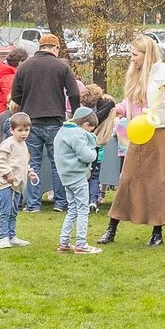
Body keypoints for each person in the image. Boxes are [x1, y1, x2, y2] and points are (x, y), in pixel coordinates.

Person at [102, 32, 165, 247]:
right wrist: (112, 109)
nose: (131, 58)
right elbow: (129, 105)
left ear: (147, 54)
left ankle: (157, 232)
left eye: (135, 54)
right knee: (128, 178)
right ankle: (112, 227)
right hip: (138, 132)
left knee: (160, 181)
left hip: (162, 132)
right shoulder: (134, 74)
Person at [12, 34, 82, 214]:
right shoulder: (62, 66)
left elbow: (15, 96)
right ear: (55, 48)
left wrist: (27, 103)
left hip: (31, 122)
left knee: (32, 163)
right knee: (57, 162)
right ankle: (60, 203)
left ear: (40, 46)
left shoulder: (25, 66)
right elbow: (74, 93)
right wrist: (75, 115)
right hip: (55, 120)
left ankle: (33, 204)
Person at [54, 108, 102, 252]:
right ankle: (81, 244)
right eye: (91, 129)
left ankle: (64, 242)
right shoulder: (77, 134)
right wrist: (94, 152)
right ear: (86, 124)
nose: (90, 132)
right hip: (77, 177)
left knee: (72, 209)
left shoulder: (62, 131)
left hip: (66, 177)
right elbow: (86, 155)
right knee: (82, 209)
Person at [0, 114, 34, 248]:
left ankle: (12, 235)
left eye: (26, 130)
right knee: (5, 211)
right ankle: (3, 237)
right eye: (20, 130)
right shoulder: (8, 143)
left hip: (17, 185)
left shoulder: (23, 144)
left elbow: (22, 162)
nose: (23, 134)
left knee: (14, 211)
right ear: (12, 130)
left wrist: (29, 171)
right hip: (5, 185)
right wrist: (7, 173)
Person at [0, 43, 23, 155]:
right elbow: (13, 99)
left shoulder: (5, 73)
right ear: (20, 63)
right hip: (6, 114)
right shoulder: (11, 78)